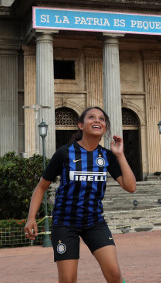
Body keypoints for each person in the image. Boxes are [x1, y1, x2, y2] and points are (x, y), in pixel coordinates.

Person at [24, 107, 137, 283]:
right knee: (68, 280)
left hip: (94, 222)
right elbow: (41, 187)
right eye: (91, 117)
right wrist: (31, 218)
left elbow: (130, 187)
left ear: (105, 128)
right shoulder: (64, 153)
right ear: (81, 125)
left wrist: (120, 155)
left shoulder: (107, 156)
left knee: (114, 275)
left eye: (101, 119)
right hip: (65, 223)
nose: (97, 120)